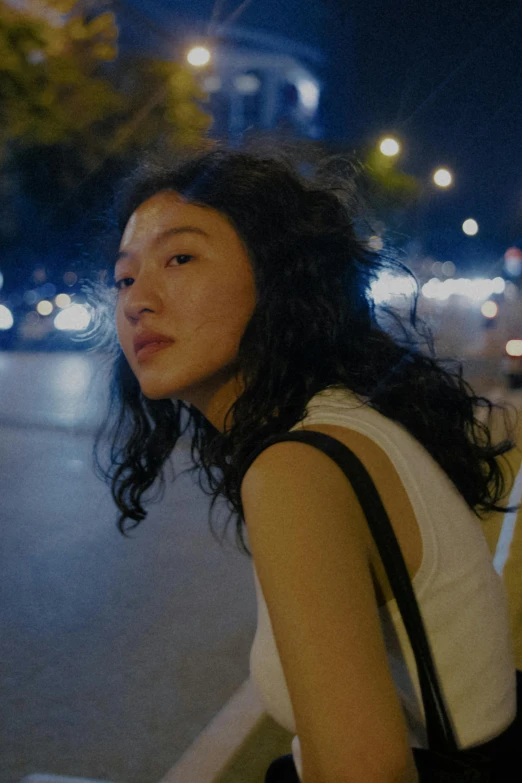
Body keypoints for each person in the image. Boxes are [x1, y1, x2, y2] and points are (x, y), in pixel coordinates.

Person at [91, 143, 521, 783]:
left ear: (281, 278)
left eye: (179, 258)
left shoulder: (297, 468)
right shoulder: (344, 419)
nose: (135, 301)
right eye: (125, 277)